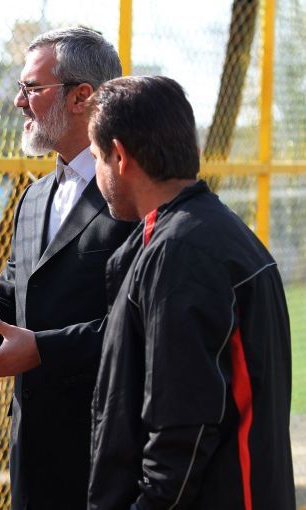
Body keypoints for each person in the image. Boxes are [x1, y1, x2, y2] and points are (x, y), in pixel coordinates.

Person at [0, 27, 134, 509]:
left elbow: (139, 326)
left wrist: (42, 352)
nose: (18, 101)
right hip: (33, 452)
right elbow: (14, 302)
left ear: (81, 97)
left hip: (108, 451)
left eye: (31, 88)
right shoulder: (34, 196)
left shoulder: (131, 192)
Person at [84, 75, 295, 508]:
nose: (95, 174)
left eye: (95, 158)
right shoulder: (214, 232)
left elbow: (181, 429)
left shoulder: (180, 252)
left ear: (119, 155)